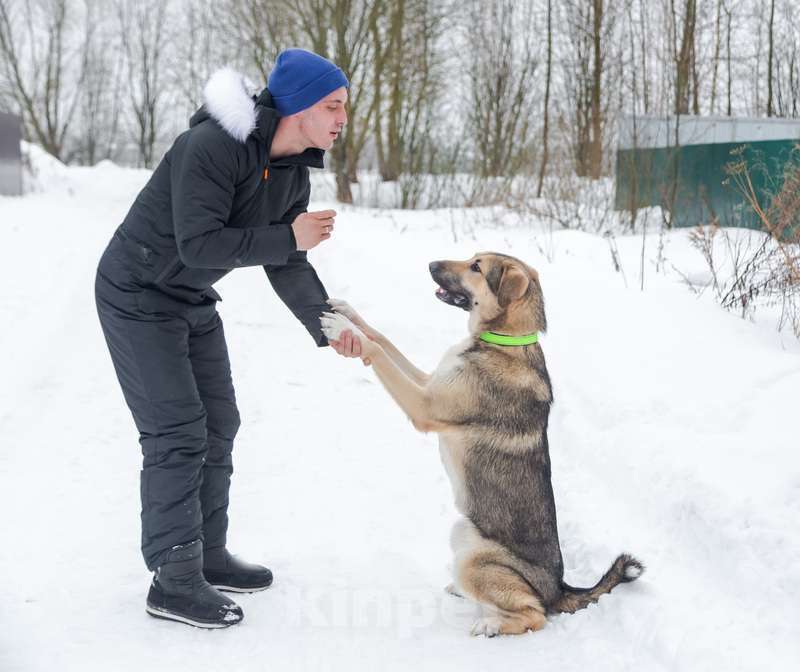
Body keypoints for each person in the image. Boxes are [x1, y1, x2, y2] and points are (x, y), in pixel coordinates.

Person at [94, 49, 348, 628]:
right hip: (137, 291)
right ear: (301, 105)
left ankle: (207, 553)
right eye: (332, 106)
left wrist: (329, 326)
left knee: (220, 421)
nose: (341, 119)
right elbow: (200, 245)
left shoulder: (292, 173)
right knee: (178, 430)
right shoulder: (210, 148)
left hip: (189, 296)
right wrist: (288, 235)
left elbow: (287, 262)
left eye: (343, 108)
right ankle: (174, 579)